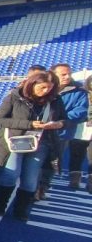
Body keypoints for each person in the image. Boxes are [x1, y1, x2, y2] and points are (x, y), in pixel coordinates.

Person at [0, 68, 65, 221]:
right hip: (16, 141)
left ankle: (20, 210)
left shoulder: (55, 99)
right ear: (32, 84)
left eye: (50, 88)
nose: (46, 91)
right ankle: (0, 205)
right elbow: (0, 120)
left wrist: (58, 124)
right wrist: (30, 124)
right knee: (10, 174)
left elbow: (63, 120)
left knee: (30, 179)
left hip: (41, 144)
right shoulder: (15, 96)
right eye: (42, 87)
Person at [36, 64, 87, 192]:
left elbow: (80, 112)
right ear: (53, 74)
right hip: (38, 131)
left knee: (52, 161)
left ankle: (42, 187)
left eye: (69, 73)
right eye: (63, 74)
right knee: (35, 160)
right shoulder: (43, 86)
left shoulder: (79, 91)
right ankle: (32, 186)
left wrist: (60, 121)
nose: (67, 76)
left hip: (61, 133)